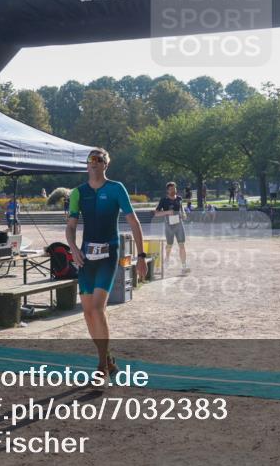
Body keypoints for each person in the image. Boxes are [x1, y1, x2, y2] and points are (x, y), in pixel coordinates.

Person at [66, 148, 147, 379]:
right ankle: (108, 357)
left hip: (109, 253)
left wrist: (141, 256)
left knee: (98, 309)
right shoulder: (78, 193)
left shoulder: (116, 189)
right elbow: (71, 225)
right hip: (86, 256)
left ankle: (101, 365)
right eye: (90, 160)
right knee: (87, 312)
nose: (93, 163)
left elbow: (133, 221)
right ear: (86, 165)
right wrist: (73, 249)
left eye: (98, 160)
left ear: (105, 165)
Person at [154, 181, 190, 274]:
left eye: (174, 188)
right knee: (169, 245)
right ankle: (167, 259)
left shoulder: (179, 198)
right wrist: (167, 212)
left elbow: (181, 209)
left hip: (179, 225)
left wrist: (184, 213)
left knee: (181, 245)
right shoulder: (163, 200)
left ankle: (184, 266)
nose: (173, 190)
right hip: (169, 226)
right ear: (167, 190)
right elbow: (156, 213)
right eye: (171, 189)